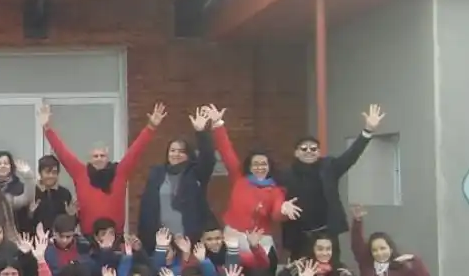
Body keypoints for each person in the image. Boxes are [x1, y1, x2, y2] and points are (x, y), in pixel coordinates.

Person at [38, 101, 165, 237]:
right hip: (88, 238)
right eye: (95, 156)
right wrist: (47, 128)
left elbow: (135, 151)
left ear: (107, 156)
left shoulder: (120, 172)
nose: (99, 158)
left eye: (102, 155)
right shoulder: (80, 173)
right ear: (90, 158)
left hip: (115, 237)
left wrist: (151, 127)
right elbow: (62, 152)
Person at [275, 104, 385, 258]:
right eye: (304, 149)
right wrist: (282, 205)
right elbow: (272, 198)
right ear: (296, 153)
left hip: (327, 235)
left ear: (319, 152)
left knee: (331, 270)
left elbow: (351, 156)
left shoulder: (329, 167)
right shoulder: (285, 175)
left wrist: (368, 131)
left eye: (313, 149)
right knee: (302, 272)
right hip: (299, 238)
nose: (309, 151)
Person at [205, 106, 299, 254]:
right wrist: (218, 125)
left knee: (264, 266)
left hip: (261, 239)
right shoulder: (239, 178)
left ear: (269, 166)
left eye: (263, 164)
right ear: (249, 166)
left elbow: (276, 214)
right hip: (234, 236)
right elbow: (226, 151)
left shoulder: (275, 190)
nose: (259, 168)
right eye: (255, 164)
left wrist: (283, 210)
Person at [136, 107, 217, 248]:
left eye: (181, 151)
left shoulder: (196, 172)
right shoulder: (157, 173)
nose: (176, 154)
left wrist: (201, 132)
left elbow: (208, 159)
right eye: (172, 151)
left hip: (188, 240)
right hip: (161, 241)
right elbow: (147, 207)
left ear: (189, 154)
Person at [348, 205, 432, 276]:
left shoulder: (400, 268)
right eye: (375, 250)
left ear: (391, 249)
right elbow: (357, 243)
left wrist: (414, 259)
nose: (379, 253)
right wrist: (357, 220)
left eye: (383, 248)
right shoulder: (367, 264)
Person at [28, 154, 73, 235]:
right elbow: (24, 222)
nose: (51, 176)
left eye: (54, 172)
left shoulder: (65, 193)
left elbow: (70, 222)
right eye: (47, 172)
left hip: (59, 239)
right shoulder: (32, 192)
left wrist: (72, 215)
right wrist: (30, 213)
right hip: (36, 239)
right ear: (40, 173)